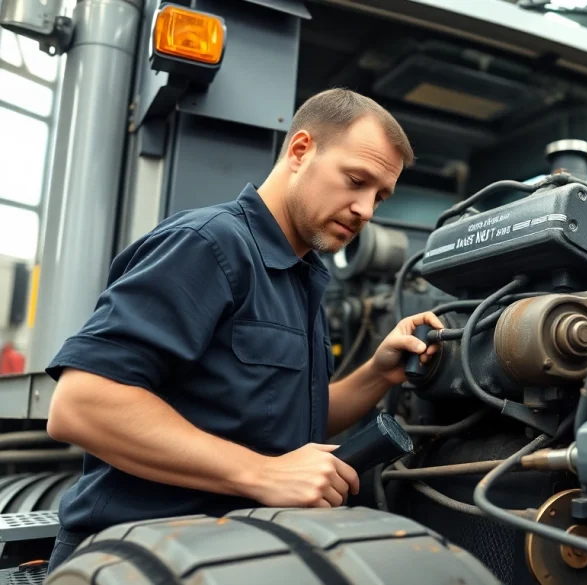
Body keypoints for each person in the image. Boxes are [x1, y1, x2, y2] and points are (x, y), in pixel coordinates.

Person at [41, 88, 444, 573]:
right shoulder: (210, 245)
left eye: (379, 195)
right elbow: (81, 405)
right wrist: (262, 474)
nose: (366, 210)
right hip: (136, 560)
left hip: (233, 558)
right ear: (300, 151)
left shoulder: (301, 279)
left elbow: (288, 419)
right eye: (356, 181)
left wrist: (378, 373)